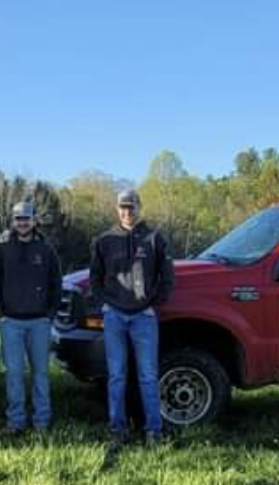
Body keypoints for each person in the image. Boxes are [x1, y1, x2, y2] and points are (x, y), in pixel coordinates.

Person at [91, 189, 175, 457]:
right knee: (116, 376)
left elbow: (167, 276)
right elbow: (95, 278)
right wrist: (104, 303)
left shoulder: (154, 238)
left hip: (143, 317)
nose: (128, 211)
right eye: (123, 207)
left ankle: (154, 429)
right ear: (117, 209)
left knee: (148, 376)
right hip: (114, 315)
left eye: (132, 206)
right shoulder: (104, 240)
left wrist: (154, 304)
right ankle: (118, 428)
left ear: (140, 207)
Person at [0, 201, 62, 435]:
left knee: (40, 374)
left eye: (26, 219)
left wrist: (49, 315)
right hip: (11, 323)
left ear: (34, 221)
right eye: (19, 219)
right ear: (13, 220)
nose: (22, 223)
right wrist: (1, 315)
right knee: (14, 374)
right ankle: (16, 421)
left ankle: (41, 421)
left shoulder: (46, 250)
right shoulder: (1, 250)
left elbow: (56, 284)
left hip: (40, 322)